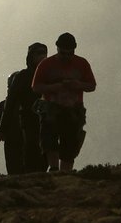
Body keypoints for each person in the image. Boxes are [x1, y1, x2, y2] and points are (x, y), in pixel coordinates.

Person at [31, 32, 97, 172]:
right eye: (63, 53)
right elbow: (36, 86)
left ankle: (65, 173)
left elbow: (92, 85)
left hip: (73, 109)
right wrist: (54, 87)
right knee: (50, 140)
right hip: (51, 108)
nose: (66, 56)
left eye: (69, 53)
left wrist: (78, 85)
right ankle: (54, 169)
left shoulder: (82, 63)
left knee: (70, 143)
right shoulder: (46, 64)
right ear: (57, 49)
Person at [0, 42, 49, 174]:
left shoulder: (50, 75)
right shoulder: (22, 77)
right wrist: (3, 127)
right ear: (30, 56)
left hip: (49, 120)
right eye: (38, 53)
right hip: (29, 121)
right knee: (32, 151)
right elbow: (10, 104)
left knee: (46, 152)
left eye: (44, 53)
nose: (42, 56)